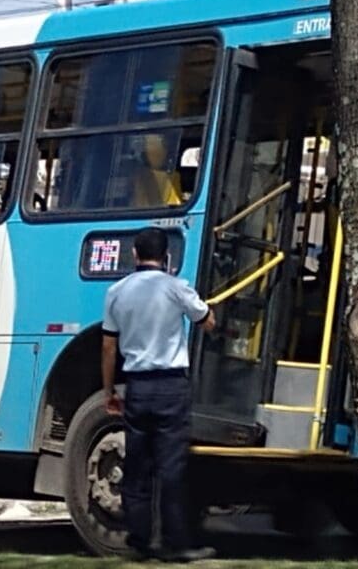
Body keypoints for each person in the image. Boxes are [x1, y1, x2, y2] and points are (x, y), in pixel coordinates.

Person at [100, 227, 216, 562]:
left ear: (134, 254)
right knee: (171, 468)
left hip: (137, 387)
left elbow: (108, 347)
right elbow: (207, 321)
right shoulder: (176, 287)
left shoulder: (116, 292)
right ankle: (176, 543)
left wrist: (110, 390)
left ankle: (139, 541)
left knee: (137, 466)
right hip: (171, 386)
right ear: (166, 257)